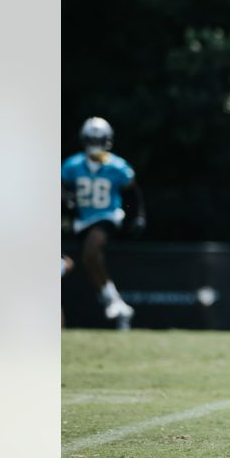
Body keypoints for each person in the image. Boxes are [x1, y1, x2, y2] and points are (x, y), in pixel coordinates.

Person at [61, 117, 146, 330]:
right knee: (88, 260)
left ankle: (112, 300)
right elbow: (60, 188)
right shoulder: (72, 165)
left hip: (108, 217)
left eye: (99, 139)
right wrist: (66, 198)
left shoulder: (117, 166)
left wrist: (138, 216)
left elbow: (134, 192)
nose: (96, 144)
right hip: (82, 221)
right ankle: (114, 301)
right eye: (92, 139)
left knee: (90, 252)